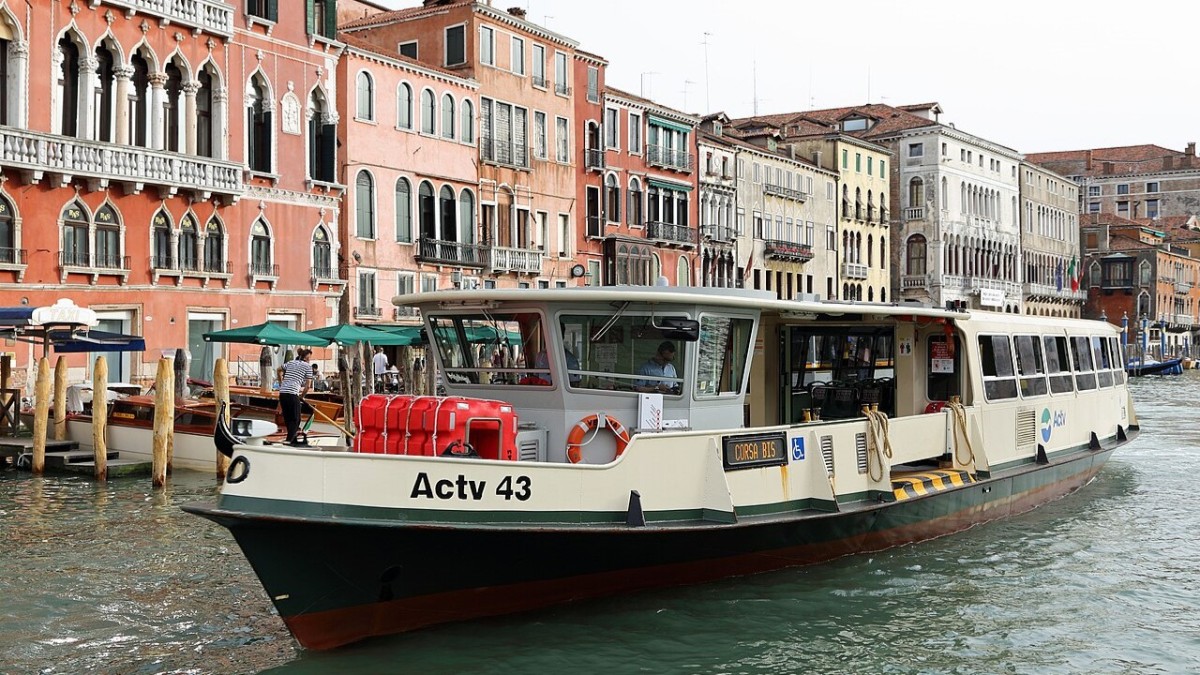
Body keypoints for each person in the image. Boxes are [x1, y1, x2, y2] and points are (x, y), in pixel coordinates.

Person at [279, 348, 314, 445]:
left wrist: (281, 382)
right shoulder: (308, 367)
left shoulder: (291, 363)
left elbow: (279, 370)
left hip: (282, 393)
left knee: (288, 418)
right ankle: (289, 441)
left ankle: (290, 439)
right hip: (292, 394)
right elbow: (308, 386)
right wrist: (302, 397)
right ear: (307, 358)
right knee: (296, 419)